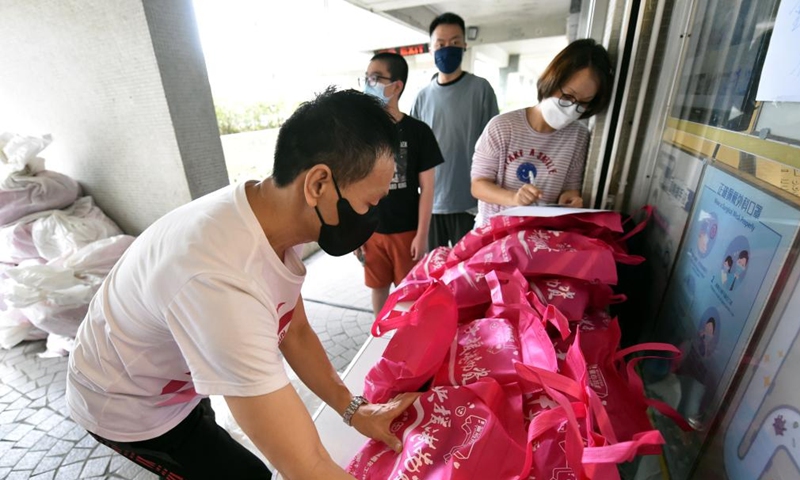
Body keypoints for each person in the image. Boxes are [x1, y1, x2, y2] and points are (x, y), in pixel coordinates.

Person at [66, 88, 419, 480]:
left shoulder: (271, 213)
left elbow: (294, 330)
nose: (372, 217)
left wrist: (355, 410)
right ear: (318, 184)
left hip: (170, 373)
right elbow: (306, 465)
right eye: (369, 203)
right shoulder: (222, 283)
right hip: (126, 402)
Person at [470, 39, 614, 227]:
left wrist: (570, 199)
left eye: (583, 102)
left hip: (540, 233)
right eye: (568, 96)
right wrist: (514, 198)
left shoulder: (579, 137)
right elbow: (479, 186)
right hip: (495, 231)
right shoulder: (503, 127)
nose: (572, 107)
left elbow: (571, 188)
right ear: (552, 81)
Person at [357, 52, 444, 315]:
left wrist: (422, 234)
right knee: (378, 288)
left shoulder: (418, 132)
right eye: (366, 78)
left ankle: (408, 336)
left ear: (396, 86)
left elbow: (428, 188)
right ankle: (379, 333)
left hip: (406, 230)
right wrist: (355, 231)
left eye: (375, 78)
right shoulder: (362, 133)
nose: (369, 84)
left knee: (410, 293)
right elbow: (355, 186)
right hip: (371, 230)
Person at [411, 12, 499, 247]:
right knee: (434, 266)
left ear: (464, 46)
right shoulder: (422, 97)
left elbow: (495, 147)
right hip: (431, 204)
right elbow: (414, 153)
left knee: (469, 267)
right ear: (431, 48)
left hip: (471, 203)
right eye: (440, 44)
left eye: (454, 42)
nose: (447, 49)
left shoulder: (481, 89)